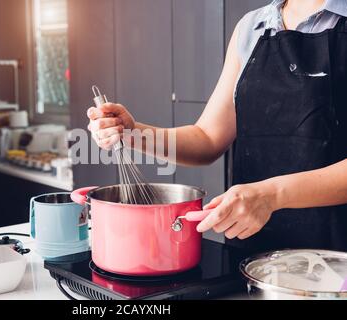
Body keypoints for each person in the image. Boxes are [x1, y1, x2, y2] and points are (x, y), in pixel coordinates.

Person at [86, 0, 347, 252]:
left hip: (335, 258)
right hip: (254, 252)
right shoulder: (252, 27)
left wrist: (271, 195)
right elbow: (207, 138)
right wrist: (133, 133)